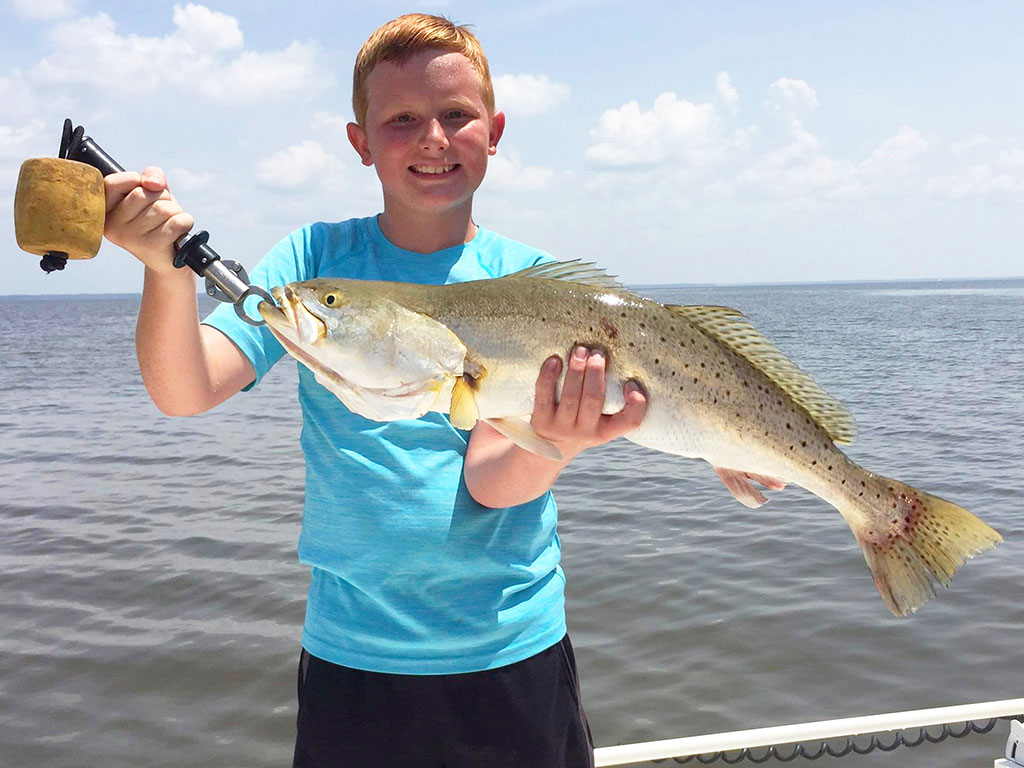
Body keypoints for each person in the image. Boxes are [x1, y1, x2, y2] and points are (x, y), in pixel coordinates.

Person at [103, 13, 647, 768]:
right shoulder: (313, 262)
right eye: (401, 119)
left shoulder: (533, 291)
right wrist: (163, 271)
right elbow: (186, 390)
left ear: (493, 131)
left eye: (456, 115)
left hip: (512, 653)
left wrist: (557, 438)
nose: (433, 137)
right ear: (360, 141)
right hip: (352, 662)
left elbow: (491, 481)